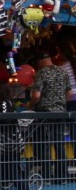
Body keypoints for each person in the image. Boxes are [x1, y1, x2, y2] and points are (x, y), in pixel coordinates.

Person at [30, 51, 71, 182]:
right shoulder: (63, 72)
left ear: (40, 61)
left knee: (44, 145)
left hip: (45, 113)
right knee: (60, 144)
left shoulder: (41, 73)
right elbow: (69, 93)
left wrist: (29, 107)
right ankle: (62, 176)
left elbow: (36, 96)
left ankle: (46, 176)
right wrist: (61, 103)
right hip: (60, 113)